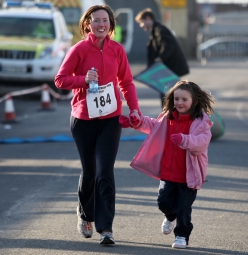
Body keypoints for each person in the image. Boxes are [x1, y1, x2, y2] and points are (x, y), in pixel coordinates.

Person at [54, 4, 141, 245]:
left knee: (105, 172)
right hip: (83, 119)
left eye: (105, 20)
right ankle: (85, 215)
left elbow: (127, 82)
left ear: (111, 25)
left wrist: (134, 108)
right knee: (90, 171)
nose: (101, 24)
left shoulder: (117, 50)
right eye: (96, 20)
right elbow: (60, 80)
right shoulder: (79, 49)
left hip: (111, 119)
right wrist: (83, 80)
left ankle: (106, 228)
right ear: (87, 24)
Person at [120, 80, 214, 249]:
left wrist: (185, 139)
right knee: (163, 202)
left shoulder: (200, 122)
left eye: (184, 99)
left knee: (183, 209)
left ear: (194, 101)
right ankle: (170, 216)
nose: (179, 102)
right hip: (168, 173)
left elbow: (202, 142)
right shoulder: (168, 117)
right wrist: (136, 121)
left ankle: (181, 236)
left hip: (188, 176)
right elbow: (153, 126)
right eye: (176, 99)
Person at [135, 8, 190, 107]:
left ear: (148, 18)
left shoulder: (160, 30)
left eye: (142, 22)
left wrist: (160, 58)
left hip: (169, 69)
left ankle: (169, 118)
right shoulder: (155, 31)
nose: (141, 25)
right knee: (167, 94)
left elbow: (168, 45)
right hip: (167, 69)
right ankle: (168, 117)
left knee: (168, 95)